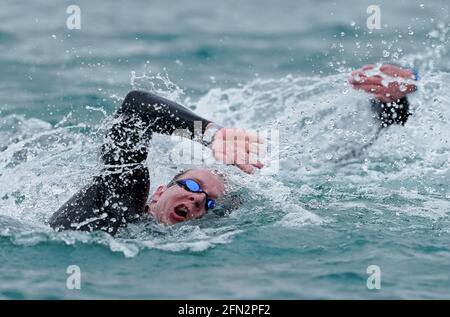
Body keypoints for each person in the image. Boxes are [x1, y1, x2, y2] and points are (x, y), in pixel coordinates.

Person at [49, 63, 418, 235]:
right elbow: (134, 107)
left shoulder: (187, 240)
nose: (196, 201)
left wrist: (394, 107)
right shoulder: (119, 199)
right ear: (160, 191)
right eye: (193, 187)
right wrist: (210, 133)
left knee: (340, 163)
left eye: (206, 202)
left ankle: (387, 105)